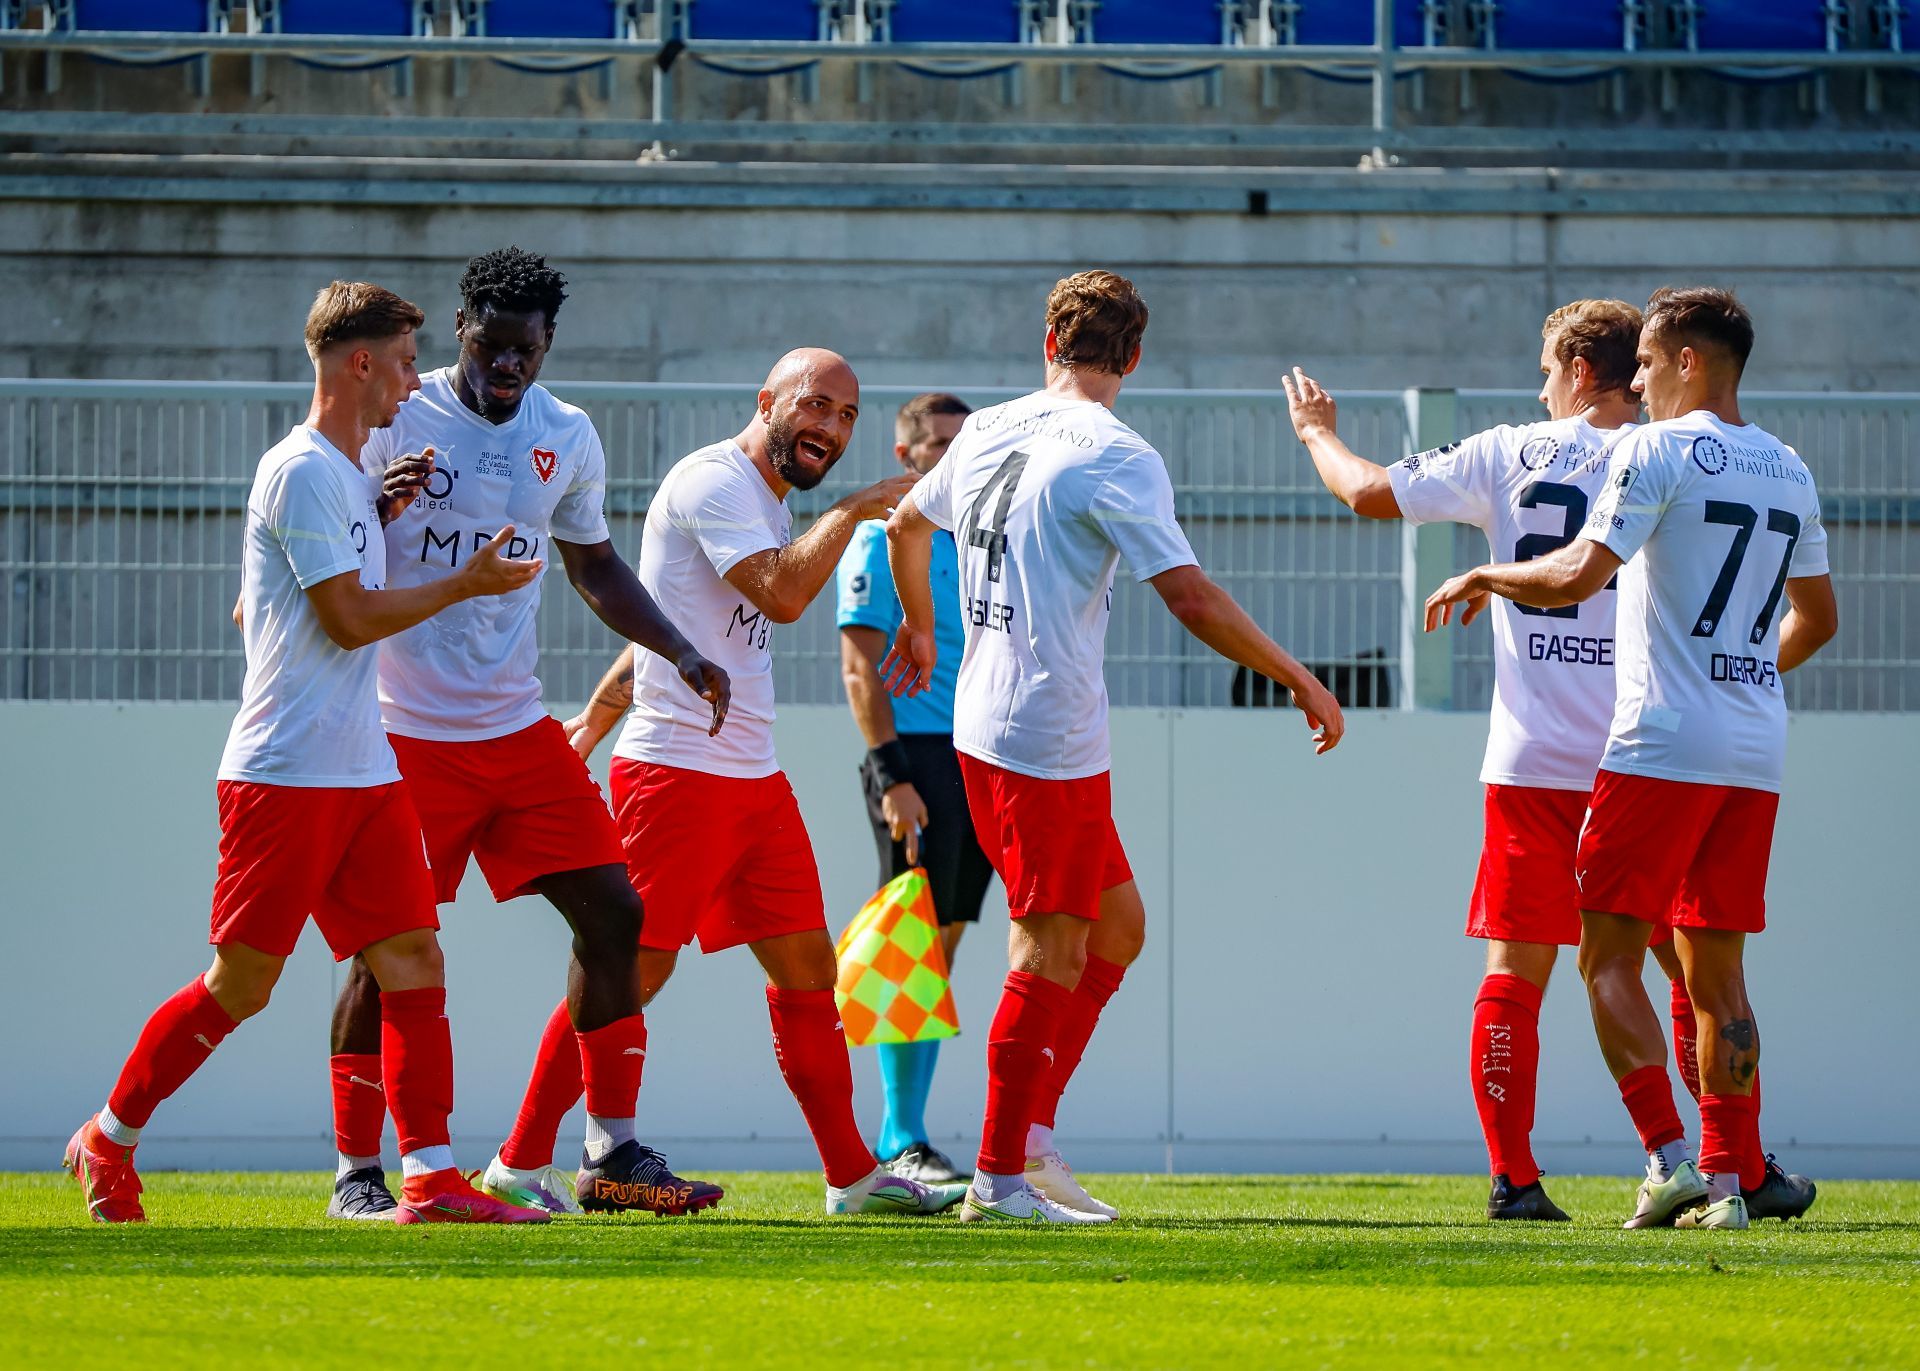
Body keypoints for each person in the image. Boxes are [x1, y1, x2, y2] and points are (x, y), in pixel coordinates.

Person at [64, 282, 549, 1225]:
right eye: (404, 362)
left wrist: (377, 507)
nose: (416, 381)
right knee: (241, 984)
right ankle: (109, 1135)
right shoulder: (299, 471)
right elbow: (347, 618)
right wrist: (468, 581)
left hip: (365, 768)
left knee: (414, 956)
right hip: (286, 774)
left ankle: (431, 1179)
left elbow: (259, 605)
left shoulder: (351, 471)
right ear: (360, 364)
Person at [884, 270, 1345, 1224]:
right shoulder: (1116, 451)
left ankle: (1030, 1138)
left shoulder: (987, 427)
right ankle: (999, 1178)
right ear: (1133, 356)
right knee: (1047, 945)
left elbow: (903, 523)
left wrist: (922, 625)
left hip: (990, 723)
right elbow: (1189, 596)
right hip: (1042, 733)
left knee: (1116, 927)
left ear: (1048, 342)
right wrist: (1298, 675)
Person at [321, 247, 733, 1220]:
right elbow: (331, 548)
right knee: (384, 953)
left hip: (516, 728)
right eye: (492, 346)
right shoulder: (399, 413)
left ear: (548, 345)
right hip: (404, 731)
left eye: (526, 350)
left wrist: (679, 647)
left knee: (616, 914)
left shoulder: (566, 433)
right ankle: (358, 1171)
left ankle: (611, 1154)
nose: (507, 365)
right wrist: (377, 504)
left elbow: (594, 565)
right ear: (462, 331)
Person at [1426, 287, 1836, 1230]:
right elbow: (1818, 619)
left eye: (1648, 364)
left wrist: (1485, 571)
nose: (1638, 384)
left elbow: (1577, 572)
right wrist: (1737, 675)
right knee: (1716, 971)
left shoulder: (1655, 450)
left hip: (1661, 743)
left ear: (1688, 361)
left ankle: (1669, 1160)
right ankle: (1729, 1181)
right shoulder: (1789, 466)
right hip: (1754, 745)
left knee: (1606, 953)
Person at [556, 348, 969, 1216]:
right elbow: (781, 597)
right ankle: (523, 1156)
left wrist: (594, 714)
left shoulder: (768, 500)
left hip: (751, 776)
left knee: (810, 970)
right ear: (768, 401)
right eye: (816, 405)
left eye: (846, 416)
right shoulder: (715, 480)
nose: (831, 427)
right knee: (629, 971)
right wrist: (855, 508)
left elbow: (672, 624)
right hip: (678, 772)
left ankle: (853, 1176)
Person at [1284, 300, 1645, 1221]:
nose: (1538, 386)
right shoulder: (1666, 455)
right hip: (1644, 756)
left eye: (1545, 368)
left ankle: (1514, 1177)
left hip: (1533, 763)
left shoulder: (1508, 451)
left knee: (1515, 973)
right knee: (1687, 967)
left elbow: (1367, 491)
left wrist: (1317, 433)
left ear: (1578, 369)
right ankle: (1716, 1161)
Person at [834, 392, 993, 1185]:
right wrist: (891, 775)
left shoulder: (975, 534)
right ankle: (901, 1137)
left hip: (979, 756)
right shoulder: (880, 535)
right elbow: (858, 668)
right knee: (909, 941)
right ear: (906, 456)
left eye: (966, 442)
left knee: (947, 936)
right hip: (915, 759)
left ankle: (909, 1130)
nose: (956, 456)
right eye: (940, 444)